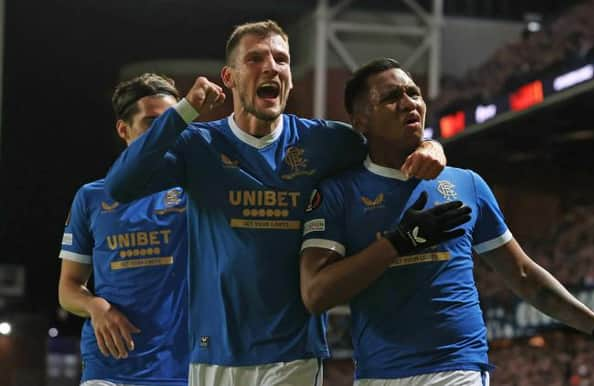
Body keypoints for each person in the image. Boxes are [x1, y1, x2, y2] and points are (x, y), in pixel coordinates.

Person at [104, 20, 452, 386]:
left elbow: (389, 147)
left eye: (281, 60)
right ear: (229, 77)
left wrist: (431, 145)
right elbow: (121, 186)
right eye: (255, 58)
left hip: (294, 353)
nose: (271, 66)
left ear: (289, 78)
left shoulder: (327, 142)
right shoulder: (198, 144)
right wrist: (184, 111)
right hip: (215, 352)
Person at [299, 58, 594, 386]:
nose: (408, 104)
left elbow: (522, 274)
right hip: (379, 373)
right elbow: (316, 295)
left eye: (414, 93)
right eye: (390, 98)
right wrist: (397, 244)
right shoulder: (338, 193)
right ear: (361, 121)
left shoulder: (466, 184)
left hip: (458, 370)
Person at [58, 73, 189, 386]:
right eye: (151, 123)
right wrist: (95, 306)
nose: (162, 134)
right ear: (123, 129)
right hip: (109, 369)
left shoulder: (193, 193)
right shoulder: (91, 197)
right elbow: (68, 288)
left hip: (180, 369)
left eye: (170, 124)